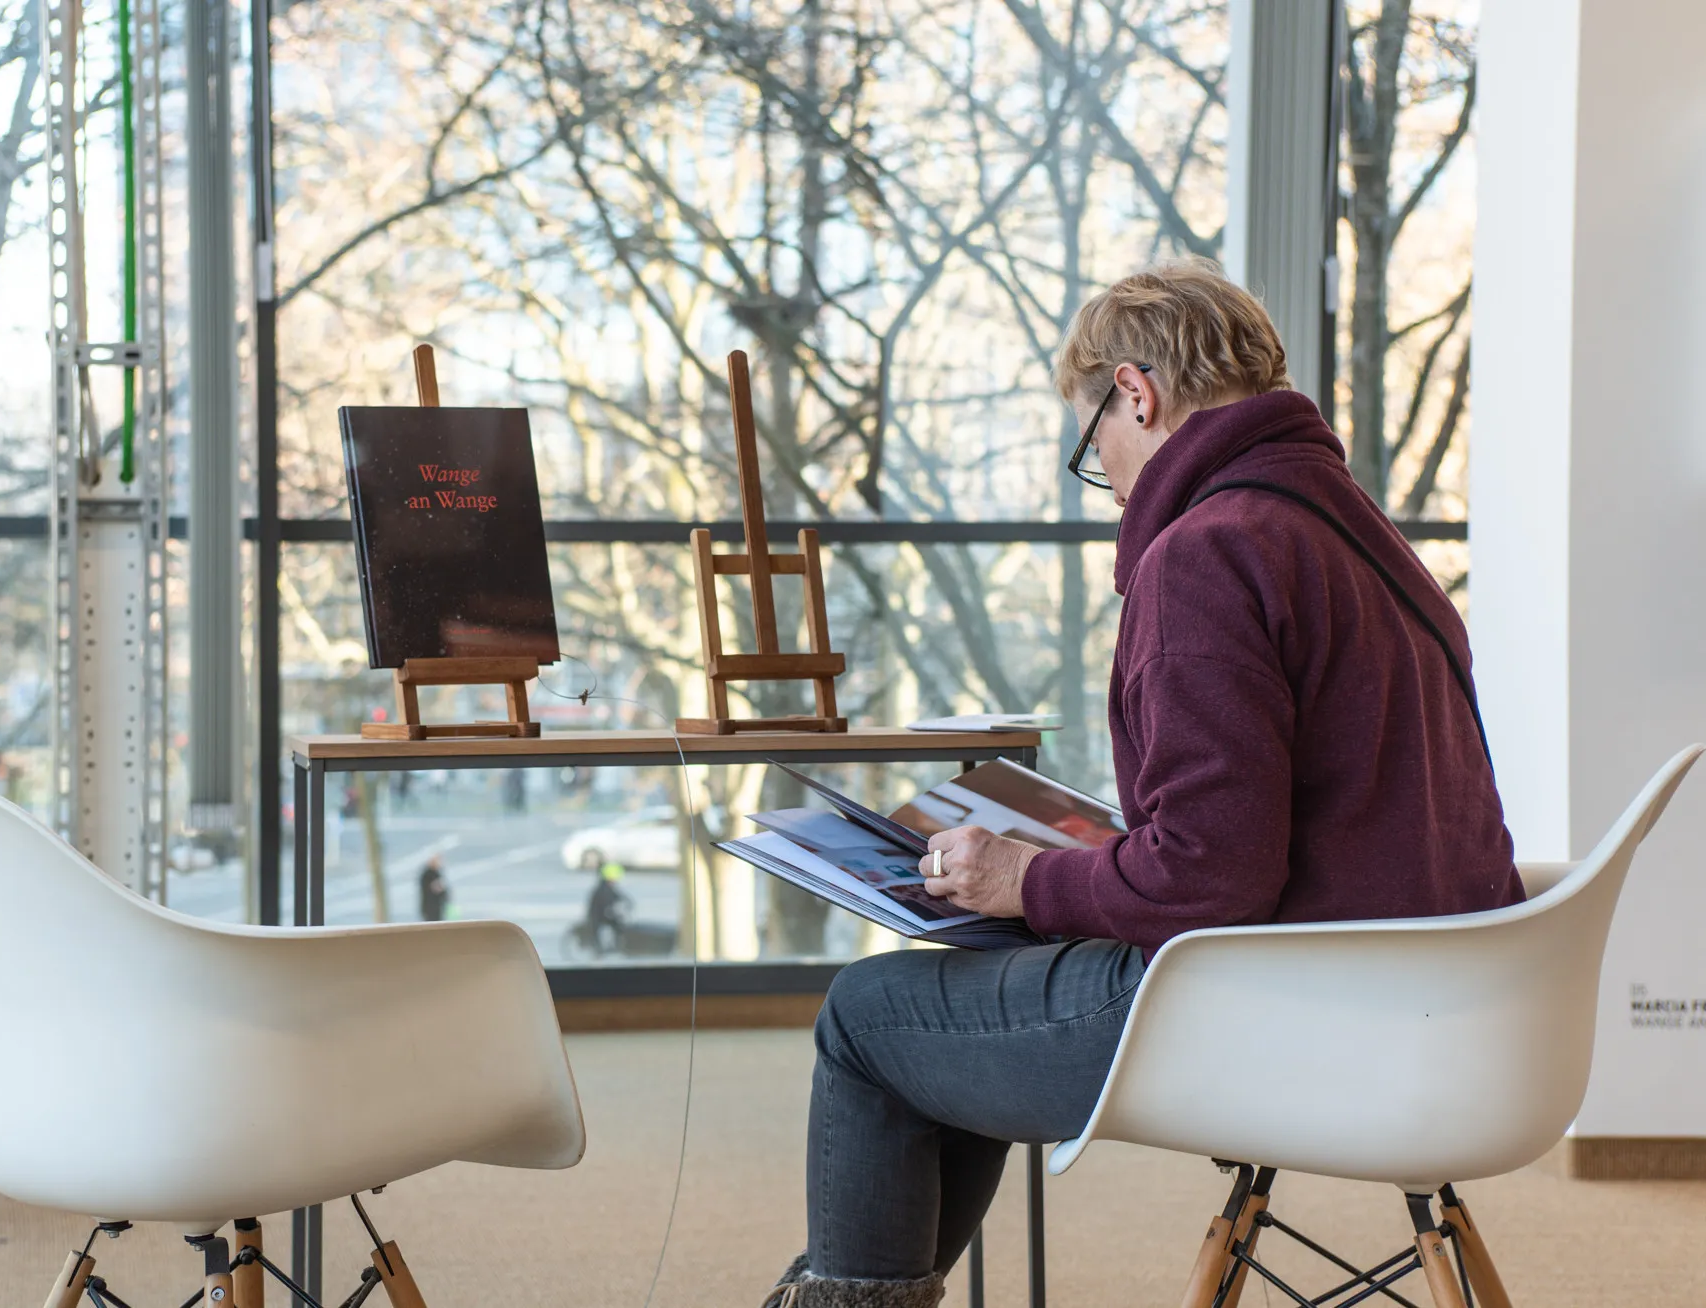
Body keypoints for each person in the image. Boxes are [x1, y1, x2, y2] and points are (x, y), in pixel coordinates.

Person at [759, 258, 1522, 1308]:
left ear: (1134, 391)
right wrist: (1085, 863)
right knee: (941, 1020)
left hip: (1271, 1011)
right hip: (1435, 1010)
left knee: (869, 1015)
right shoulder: (1367, 539)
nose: (1108, 475)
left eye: (1093, 443)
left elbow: (1209, 881)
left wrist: (1026, 880)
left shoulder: (1208, 552)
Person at [585, 861, 631, 955]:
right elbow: (607, 901)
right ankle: (598, 950)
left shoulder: (607, 886)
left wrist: (627, 901)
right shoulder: (603, 888)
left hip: (603, 914)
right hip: (597, 916)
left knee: (618, 925)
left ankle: (614, 945)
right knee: (609, 927)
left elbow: (617, 895)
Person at [417, 855, 449, 923]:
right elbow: (435, 888)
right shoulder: (427, 875)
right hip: (430, 907)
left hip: (437, 907)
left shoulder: (437, 874)